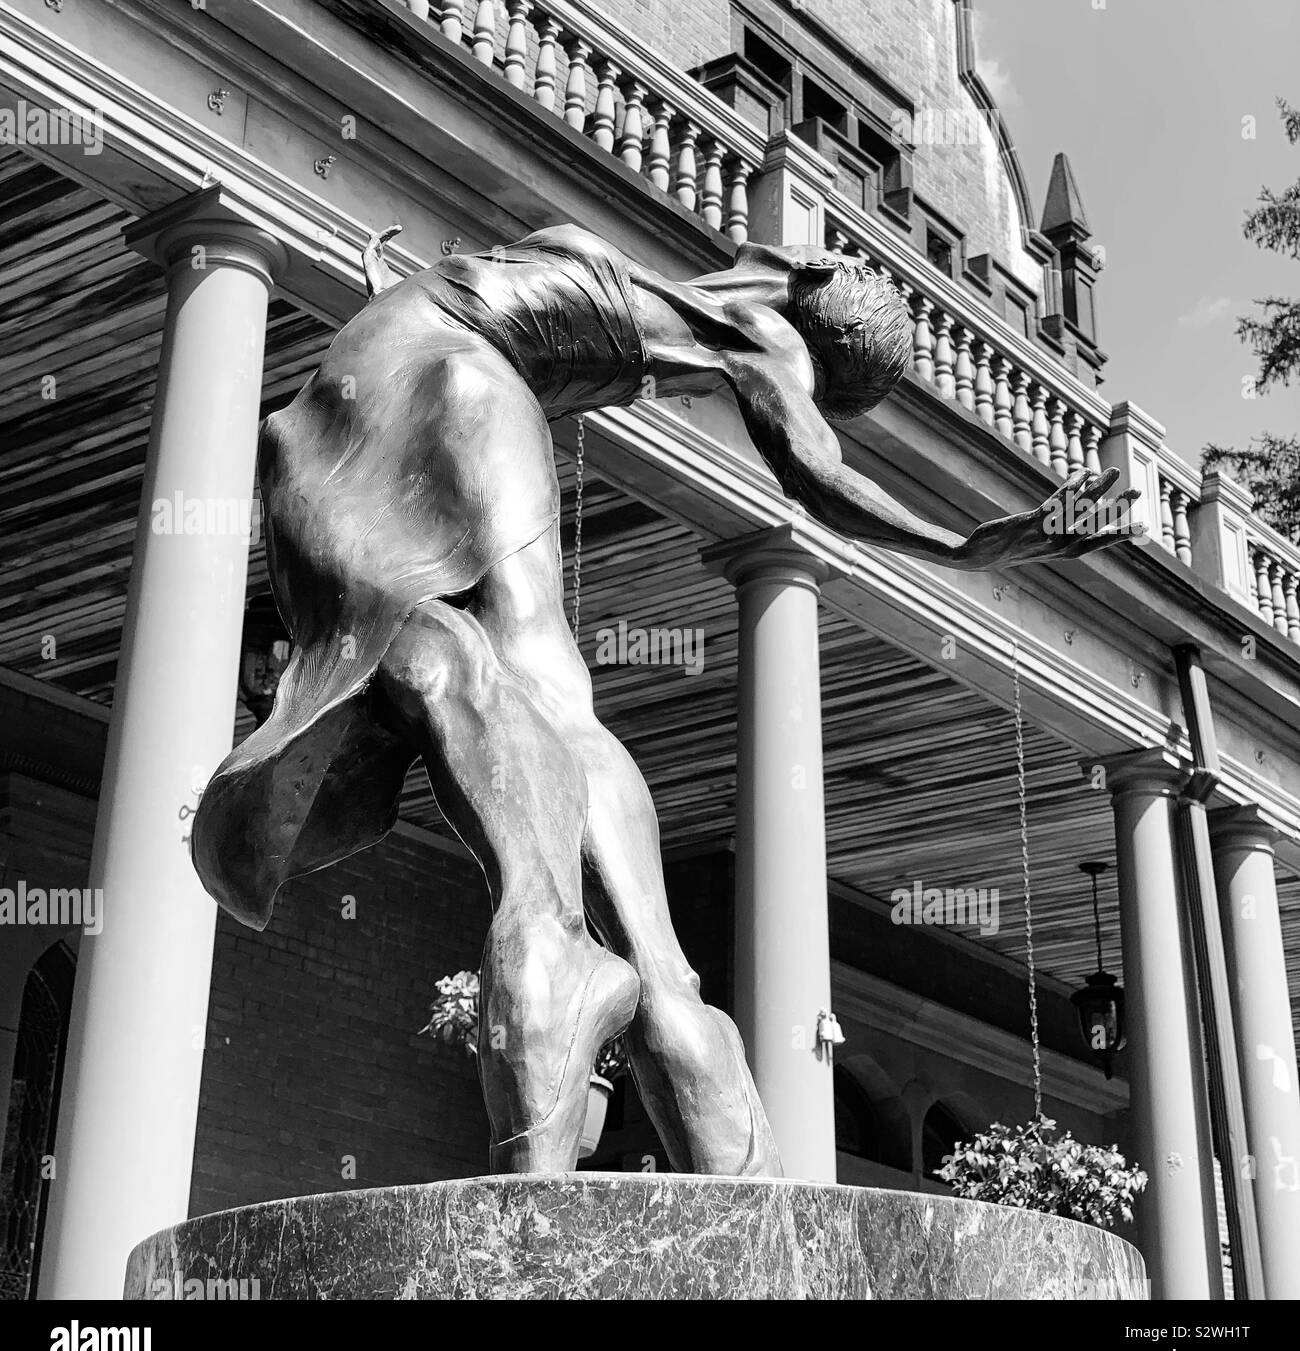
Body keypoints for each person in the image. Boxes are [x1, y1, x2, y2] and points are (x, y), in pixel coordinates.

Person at [193, 222, 1140, 1176]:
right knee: (544, 681)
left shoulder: (753, 299)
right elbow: (819, 476)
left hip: (338, 417)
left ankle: (607, 957)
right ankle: (594, 952)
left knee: (437, 656)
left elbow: (814, 466)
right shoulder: (758, 318)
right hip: (461, 389)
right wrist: (963, 547)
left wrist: (959, 542)